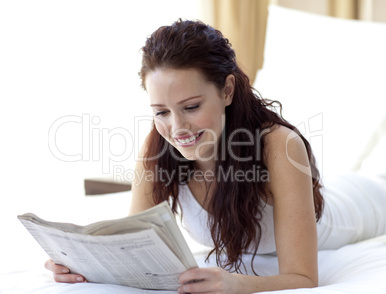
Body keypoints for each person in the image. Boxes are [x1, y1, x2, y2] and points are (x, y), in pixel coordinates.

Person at [45, 19, 386, 293]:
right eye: (161, 111)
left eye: (191, 107)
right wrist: (79, 263)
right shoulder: (157, 149)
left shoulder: (278, 146)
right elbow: (131, 247)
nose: (177, 127)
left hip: (359, 206)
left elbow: (302, 279)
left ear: (226, 90)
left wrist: (235, 283)